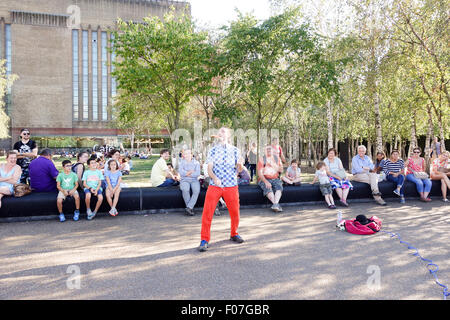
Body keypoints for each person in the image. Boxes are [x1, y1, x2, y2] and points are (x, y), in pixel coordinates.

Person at [198, 127, 244, 252]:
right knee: (207, 212)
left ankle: (234, 233)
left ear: (228, 136)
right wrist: (214, 178)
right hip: (215, 185)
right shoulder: (213, 151)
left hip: (231, 185)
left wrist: (240, 165)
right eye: (219, 133)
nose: (221, 135)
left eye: (224, 133)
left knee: (235, 212)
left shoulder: (235, 150)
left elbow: (239, 170)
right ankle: (204, 239)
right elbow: (209, 169)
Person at [257, 145, 284, 212]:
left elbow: (281, 170)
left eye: (270, 149)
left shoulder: (277, 158)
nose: (269, 151)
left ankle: (275, 204)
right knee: (268, 188)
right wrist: (266, 181)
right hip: (265, 178)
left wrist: (274, 166)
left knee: (279, 188)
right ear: (264, 151)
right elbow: (259, 173)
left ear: (273, 151)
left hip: (275, 178)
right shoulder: (262, 159)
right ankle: (276, 204)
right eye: (267, 149)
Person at [178, 149, 201, 216]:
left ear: (192, 155)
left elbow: (197, 173)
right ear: (184, 155)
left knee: (196, 191)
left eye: (189, 153)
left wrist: (187, 173)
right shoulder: (181, 163)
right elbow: (181, 173)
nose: (187, 155)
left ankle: (189, 207)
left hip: (194, 180)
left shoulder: (196, 163)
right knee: (185, 189)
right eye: (185, 154)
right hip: (184, 180)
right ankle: (189, 209)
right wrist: (190, 172)